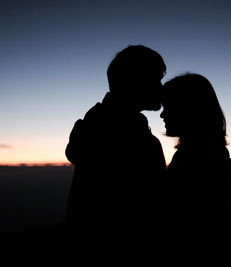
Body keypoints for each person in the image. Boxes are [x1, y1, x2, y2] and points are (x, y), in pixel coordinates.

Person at [65, 45, 167, 265]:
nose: (161, 87)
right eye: (156, 79)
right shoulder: (133, 140)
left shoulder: (97, 127)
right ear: (135, 82)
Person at [160, 73, 231, 265]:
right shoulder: (203, 153)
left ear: (190, 109)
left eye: (169, 107)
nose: (162, 114)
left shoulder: (196, 159)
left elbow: (186, 226)